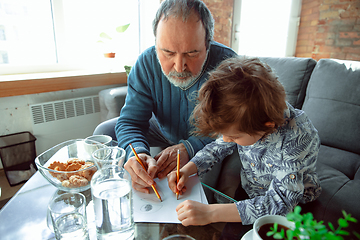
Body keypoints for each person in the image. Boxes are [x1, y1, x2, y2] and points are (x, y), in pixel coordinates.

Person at [93, 0, 236, 193]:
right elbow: (131, 121)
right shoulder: (146, 62)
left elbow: (238, 129)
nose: (179, 66)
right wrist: (137, 153)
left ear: (207, 44)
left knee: (196, 188)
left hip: (208, 138)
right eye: (167, 52)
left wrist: (190, 147)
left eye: (192, 53)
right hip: (162, 128)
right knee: (104, 131)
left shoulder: (230, 66)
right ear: (156, 43)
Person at [167, 56, 322, 226]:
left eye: (233, 137)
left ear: (267, 126)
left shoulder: (298, 137)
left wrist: (210, 213)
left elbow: (280, 203)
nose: (226, 140)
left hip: (294, 204)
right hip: (251, 188)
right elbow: (217, 148)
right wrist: (187, 169)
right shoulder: (243, 119)